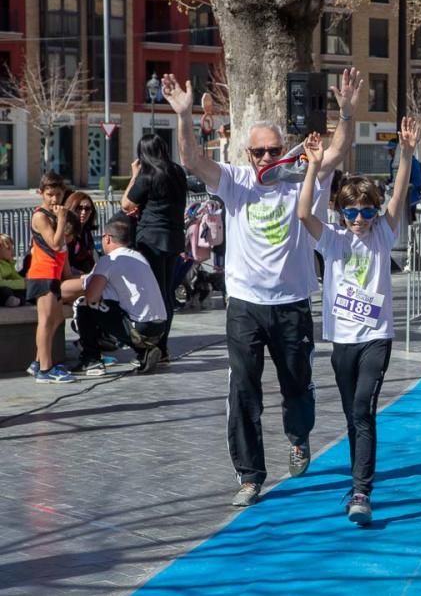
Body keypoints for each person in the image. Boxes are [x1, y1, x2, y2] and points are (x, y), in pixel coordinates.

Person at [161, 68, 363, 507]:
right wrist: (184, 114)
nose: (267, 157)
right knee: (243, 390)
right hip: (245, 307)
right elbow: (193, 159)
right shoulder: (234, 181)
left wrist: (345, 112)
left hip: (291, 305)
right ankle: (251, 476)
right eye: (259, 151)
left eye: (274, 149)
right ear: (247, 153)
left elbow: (339, 150)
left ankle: (298, 436)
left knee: (297, 386)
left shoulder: (301, 180)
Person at [297, 119, 415, 526]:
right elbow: (301, 212)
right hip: (341, 339)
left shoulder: (383, 234)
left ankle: (362, 490)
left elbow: (399, 196)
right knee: (353, 416)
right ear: (340, 211)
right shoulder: (333, 239)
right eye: (352, 211)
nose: (361, 219)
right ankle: (356, 480)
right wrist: (314, 165)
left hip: (376, 338)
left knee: (363, 410)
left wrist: (408, 153)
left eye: (367, 211)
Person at [63, 218, 168, 376]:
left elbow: (91, 296)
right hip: (159, 327)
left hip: (139, 328)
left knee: (83, 306)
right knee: (112, 306)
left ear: (107, 238)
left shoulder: (110, 260)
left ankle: (91, 360)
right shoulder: (138, 257)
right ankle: (143, 351)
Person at [122, 135, 188, 361]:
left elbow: (126, 204)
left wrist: (134, 175)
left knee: (153, 294)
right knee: (166, 294)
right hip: (174, 239)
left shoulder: (147, 175)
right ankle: (164, 346)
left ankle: (153, 346)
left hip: (150, 239)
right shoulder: (178, 172)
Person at [25, 172, 75, 382]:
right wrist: (62, 220)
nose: (54, 199)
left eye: (58, 194)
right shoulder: (41, 216)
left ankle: (38, 361)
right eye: (50, 194)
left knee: (56, 319)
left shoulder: (53, 215)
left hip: (52, 274)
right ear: (41, 193)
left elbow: (62, 250)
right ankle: (45, 369)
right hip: (42, 274)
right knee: (45, 321)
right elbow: (55, 243)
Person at [64, 191, 98, 274]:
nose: (83, 212)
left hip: (86, 275)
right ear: (72, 208)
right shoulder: (66, 232)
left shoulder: (86, 232)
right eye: (79, 208)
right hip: (69, 277)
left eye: (87, 209)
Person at [0, 233, 25, 307]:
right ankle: (10, 300)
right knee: (4, 290)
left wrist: (26, 282)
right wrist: (22, 283)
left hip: (8, 288)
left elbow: (16, 277)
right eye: (8, 249)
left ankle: (18, 300)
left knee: (23, 291)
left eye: (12, 248)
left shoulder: (8, 263)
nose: (12, 252)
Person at [408, 155, 421, 222]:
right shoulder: (414, 162)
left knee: (410, 219)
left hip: (412, 196)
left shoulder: (413, 163)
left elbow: (417, 182)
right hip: (412, 196)